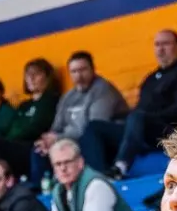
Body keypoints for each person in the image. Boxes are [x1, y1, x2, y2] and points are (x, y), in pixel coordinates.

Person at [79, 30, 177, 177]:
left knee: (138, 117)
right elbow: (138, 110)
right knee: (94, 127)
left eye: (166, 44)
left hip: (169, 131)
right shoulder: (150, 78)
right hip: (140, 129)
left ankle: (121, 166)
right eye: (157, 45)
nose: (161, 49)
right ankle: (98, 177)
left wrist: (148, 117)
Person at [36, 51, 128, 183]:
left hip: (110, 140)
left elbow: (95, 124)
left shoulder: (103, 89)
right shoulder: (67, 97)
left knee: (91, 131)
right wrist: (48, 141)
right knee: (39, 149)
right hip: (76, 139)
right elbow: (56, 128)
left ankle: (99, 180)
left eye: (83, 70)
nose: (79, 76)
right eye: (74, 72)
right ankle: (44, 190)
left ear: (93, 69)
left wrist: (59, 138)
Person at [0, 59, 60, 176]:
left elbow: (36, 127)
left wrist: (12, 136)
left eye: (36, 74)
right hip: (17, 146)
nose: (31, 78)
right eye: (28, 75)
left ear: (48, 77)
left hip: (34, 146)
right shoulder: (24, 105)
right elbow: (14, 127)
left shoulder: (51, 100)